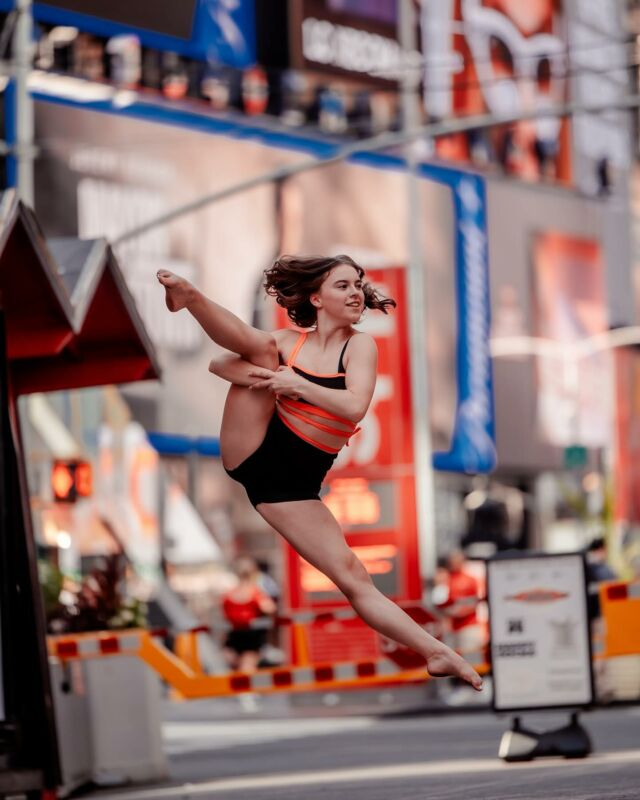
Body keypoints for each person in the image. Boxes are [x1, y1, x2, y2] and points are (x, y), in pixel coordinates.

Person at [157, 255, 482, 691]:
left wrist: (293, 385)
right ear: (316, 298)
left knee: (352, 574)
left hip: (289, 485)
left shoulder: (360, 346)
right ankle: (191, 298)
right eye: (343, 286)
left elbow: (354, 405)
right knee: (261, 350)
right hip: (252, 448)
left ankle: (437, 652)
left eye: (358, 285)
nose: (355, 293)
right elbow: (218, 365)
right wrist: (274, 377)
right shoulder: (288, 343)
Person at [221, 556, 276, 673]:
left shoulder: (229, 594)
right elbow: (270, 608)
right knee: (248, 669)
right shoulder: (255, 592)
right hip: (252, 635)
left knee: (234, 669)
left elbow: (226, 615)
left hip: (234, 635)